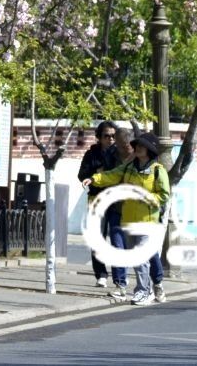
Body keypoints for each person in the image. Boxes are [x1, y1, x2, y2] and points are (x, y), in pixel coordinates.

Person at [85, 130, 170, 306]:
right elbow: (112, 175)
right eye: (137, 145)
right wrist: (94, 179)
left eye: (142, 146)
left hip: (147, 221)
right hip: (128, 220)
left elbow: (164, 195)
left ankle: (143, 291)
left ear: (149, 150)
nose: (137, 148)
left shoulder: (157, 170)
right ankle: (152, 287)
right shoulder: (129, 168)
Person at [76, 121, 125, 290]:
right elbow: (81, 175)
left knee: (117, 239)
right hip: (96, 198)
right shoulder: (91, 154)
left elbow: (122, 173)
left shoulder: (119, 153)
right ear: (99, 137)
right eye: (106, 136)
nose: (110, 139)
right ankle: (101, 274)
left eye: (113, 136)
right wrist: (96, 172)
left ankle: (119, 277)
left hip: (115, 199)